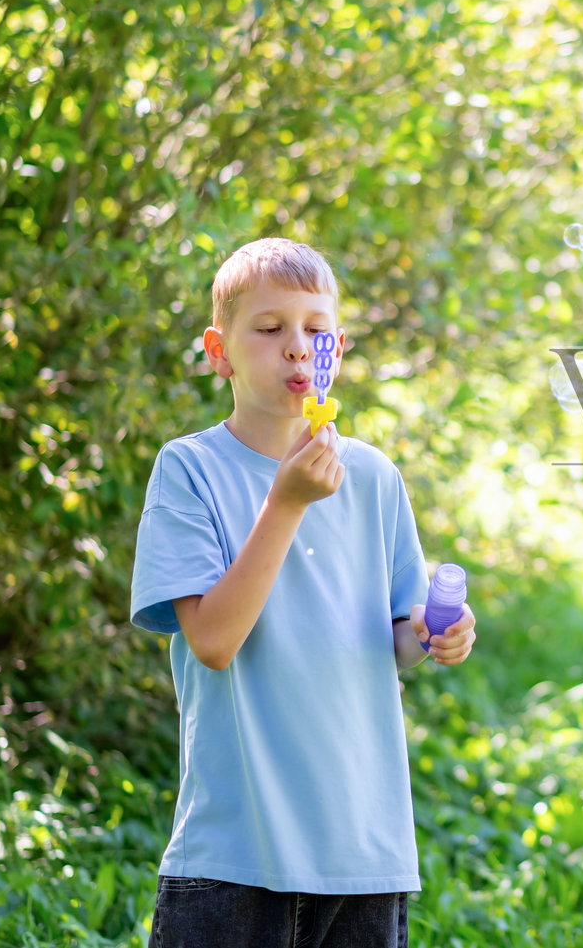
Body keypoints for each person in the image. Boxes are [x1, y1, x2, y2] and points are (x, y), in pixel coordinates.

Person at [130, 237, 478, 948]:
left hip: (364, 854)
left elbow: (396, 641)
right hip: (233, 858)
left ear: (338, 348)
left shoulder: (375, 476)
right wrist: (285, 501)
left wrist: (434, 630)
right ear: (218, 350)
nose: (296, 347)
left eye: (315, 330)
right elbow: (215, 641)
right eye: (269, 327)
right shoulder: (189, 469)